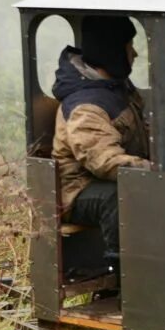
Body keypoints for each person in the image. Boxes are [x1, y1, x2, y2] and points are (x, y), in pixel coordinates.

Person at [52, 15, 149, 280]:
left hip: (110, 178)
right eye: (130, 46)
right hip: (78, 190)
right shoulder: (86, 105)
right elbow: (104, 161)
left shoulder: (117, 88)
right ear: (113, 51)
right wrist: (155, 171)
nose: (135, 53)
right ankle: (125, 280)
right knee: (117, 197)